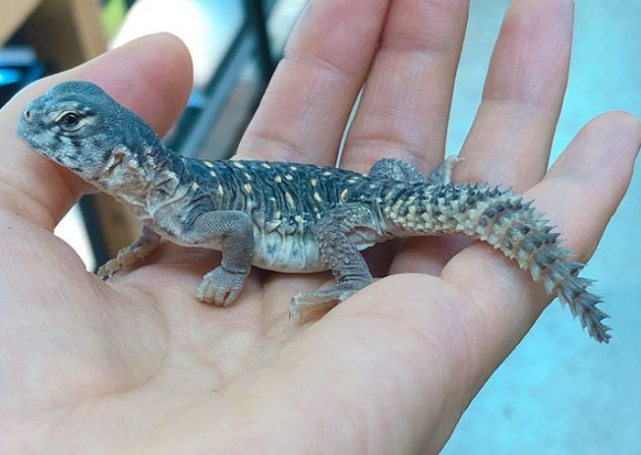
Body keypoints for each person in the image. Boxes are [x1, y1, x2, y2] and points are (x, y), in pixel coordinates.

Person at [1, 0, 639, 453]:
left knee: (348, 223)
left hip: (357, 209)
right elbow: (159, 223)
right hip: (373, 191)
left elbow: (236, 229)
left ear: (119, 157)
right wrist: (142, 249)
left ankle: (357, 281)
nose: (41, 138)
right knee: (377, 187)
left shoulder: (197, 208)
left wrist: (230, 267)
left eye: (70, 131)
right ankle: (420, 195)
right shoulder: (167, 203)